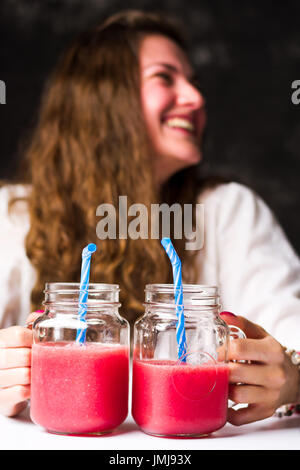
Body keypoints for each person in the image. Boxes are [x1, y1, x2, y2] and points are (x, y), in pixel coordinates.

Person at [0, 10, 299, 424]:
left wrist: (293, 375)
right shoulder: (13, 214)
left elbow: (292, 325)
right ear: (102, 99)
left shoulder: (228, 210)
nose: (196, 98)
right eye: (165, 77)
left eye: (192, 81)